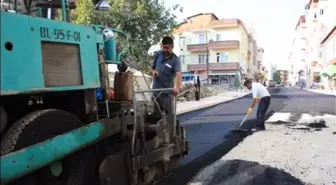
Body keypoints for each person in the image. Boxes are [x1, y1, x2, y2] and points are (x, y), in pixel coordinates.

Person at [151, 36, 182, 116]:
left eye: (167, 48)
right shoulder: (158, 54)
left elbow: (178, 74)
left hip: (166, 94)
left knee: (169, 117)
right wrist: (154, 72)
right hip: (155, 92)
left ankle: (170, 127)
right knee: (155, 116)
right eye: (164, 47)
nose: (165, 50)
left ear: (172, 47)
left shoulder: (175, 60)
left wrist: (178, 88)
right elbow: (153, 68)